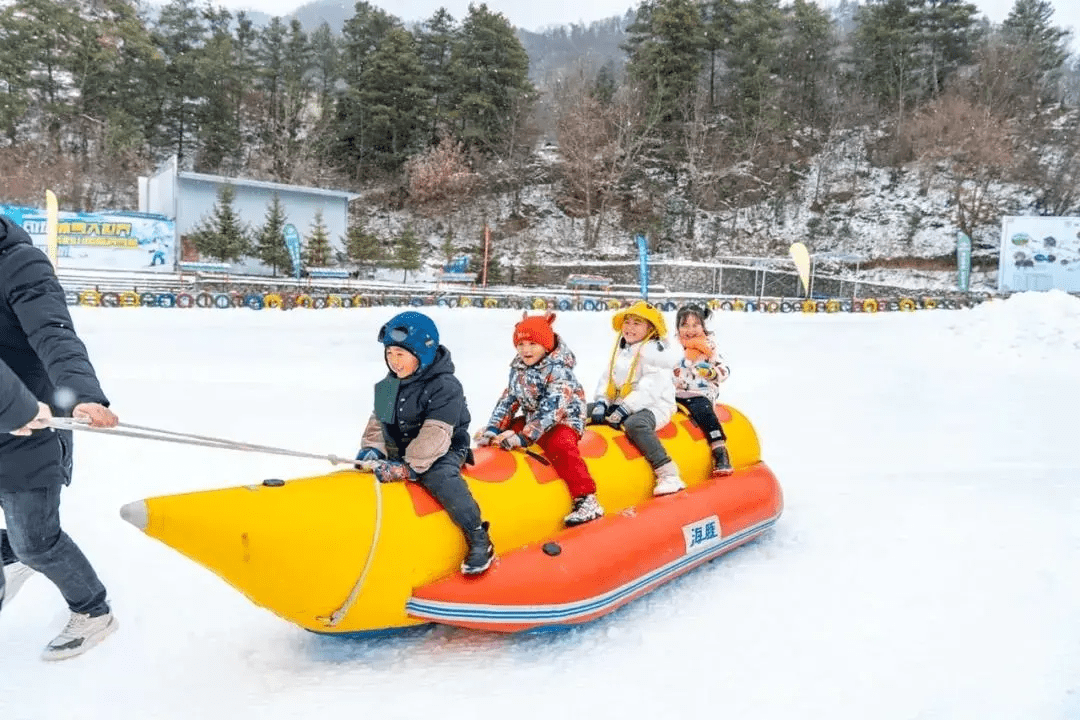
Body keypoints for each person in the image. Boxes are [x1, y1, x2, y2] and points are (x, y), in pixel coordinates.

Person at [0, 213, 120, 661]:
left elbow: (54, 335)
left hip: (32, 426)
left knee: (38, 540)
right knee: (22, 540)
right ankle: (10, 554)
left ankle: (93, 611)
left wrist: (83, 397)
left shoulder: (20, 263)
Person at [355, 311, 495, 575]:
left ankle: (477, 536)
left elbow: (436, 433)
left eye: (401, 355)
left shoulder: (445, 386)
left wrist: (409, 467)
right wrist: (373, 450)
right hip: (402, 446)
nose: (394, 362)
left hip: (445, 447)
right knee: (371, 473)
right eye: (389, 354)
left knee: (439, 476)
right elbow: (378, 423)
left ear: (423, 353)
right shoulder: (388, 386)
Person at [475, 312, 604, 527]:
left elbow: (552, 409)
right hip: (534, 418)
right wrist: (494, 429)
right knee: (507, 431)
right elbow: (509, 399)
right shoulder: (518, 368)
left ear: (546, 345)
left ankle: (586, 498)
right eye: (521, 343)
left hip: (564, 419)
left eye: (533, 343)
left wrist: (524, 437)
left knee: (560, 445)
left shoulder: (559, 370)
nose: (526, 350)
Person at [588, 300, 684, 496]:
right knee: (579, 411)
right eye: (627, 322)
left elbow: (650, 389)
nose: (629, 328)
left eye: (637, 323)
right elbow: (607, 379)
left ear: (650, 328)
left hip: (655, 405)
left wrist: (625, 408)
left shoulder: (655, 354)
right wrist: (601, 402)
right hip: (620, 402)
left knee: (635, 425)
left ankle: (667, 472)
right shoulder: (622, 350)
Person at [672, 304, 733, 474]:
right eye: (684, 325)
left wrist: (712, 372)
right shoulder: (673, 349)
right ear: (677, 328)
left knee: (703, 411)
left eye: (695, 325)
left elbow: (725, 370)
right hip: (675, 392)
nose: (690, 330)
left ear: (703, 326)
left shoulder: (709, 348)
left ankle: (719, 449)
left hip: (701, 393)